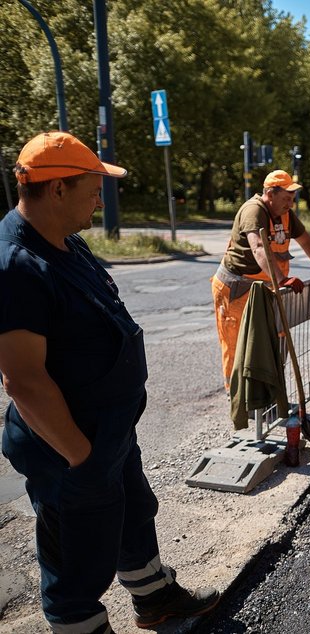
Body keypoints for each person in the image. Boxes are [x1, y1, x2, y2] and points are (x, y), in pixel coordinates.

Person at [0, 131, 219, 633]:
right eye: (94, 188)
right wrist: (83, 458)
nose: (101, 199)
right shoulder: (16, 266)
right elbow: (24, 381)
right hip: (69, 446)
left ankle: (155, 598)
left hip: (109, 431)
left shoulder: (67, 243)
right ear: (57, 189)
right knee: (76, 558)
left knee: (133, 517)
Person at [211, 169, 310, 390]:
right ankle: (238, 396)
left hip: (265, 287)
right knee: (237, 345)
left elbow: (306, 241)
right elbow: (259, 247)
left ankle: (266, 393)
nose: (290, 204)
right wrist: (282, 279)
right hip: (236, 287)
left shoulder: (285, 214)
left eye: (292, 199)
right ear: (270, 193)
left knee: (272, 340)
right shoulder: (253, 210)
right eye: (286, 199)